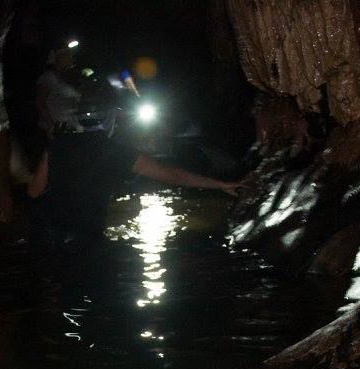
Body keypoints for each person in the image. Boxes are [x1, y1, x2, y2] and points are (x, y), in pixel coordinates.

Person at [27, 94, 241, 250]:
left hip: (48, 233)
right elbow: (174, 175)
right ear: (110, 120)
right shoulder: (119, 153)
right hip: (86, 238)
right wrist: (221, 185)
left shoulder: (57, 146)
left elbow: (33, 192)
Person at [36, 48, 82, 136]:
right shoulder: (48, 77)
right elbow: (40, 103)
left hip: (72, 127)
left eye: (70, 56)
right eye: (66, 56)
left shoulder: (66, 79)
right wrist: (50, 125)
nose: (70, 59)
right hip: (57, 129)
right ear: (57, 58)